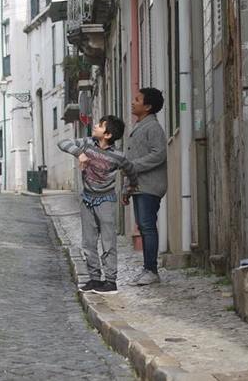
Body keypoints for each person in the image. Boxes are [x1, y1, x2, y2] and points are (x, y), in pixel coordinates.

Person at [58, 115, 138, 295]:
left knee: (108, 242)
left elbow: (131, 172)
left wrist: (128, 189)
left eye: (100, 125)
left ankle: (110, 281)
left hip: (106, 201)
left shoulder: (119, 156)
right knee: (88, 242)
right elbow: (62, 143)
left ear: (108, 134)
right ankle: (94, 278)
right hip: (87, 199)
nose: (95, 126)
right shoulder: (87, 143)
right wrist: (80, 154)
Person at [122, 88, 167, 286]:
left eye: (137, 99)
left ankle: (151, 270)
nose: (133, 102)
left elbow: (159, 154)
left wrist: (135, 166)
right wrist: (126, 187)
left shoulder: (153, 127)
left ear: (147, 106)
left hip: (150, 185)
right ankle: (147, 268)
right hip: (139, 186)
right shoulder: (139, 126)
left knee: (148, 227)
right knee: (143, 226)